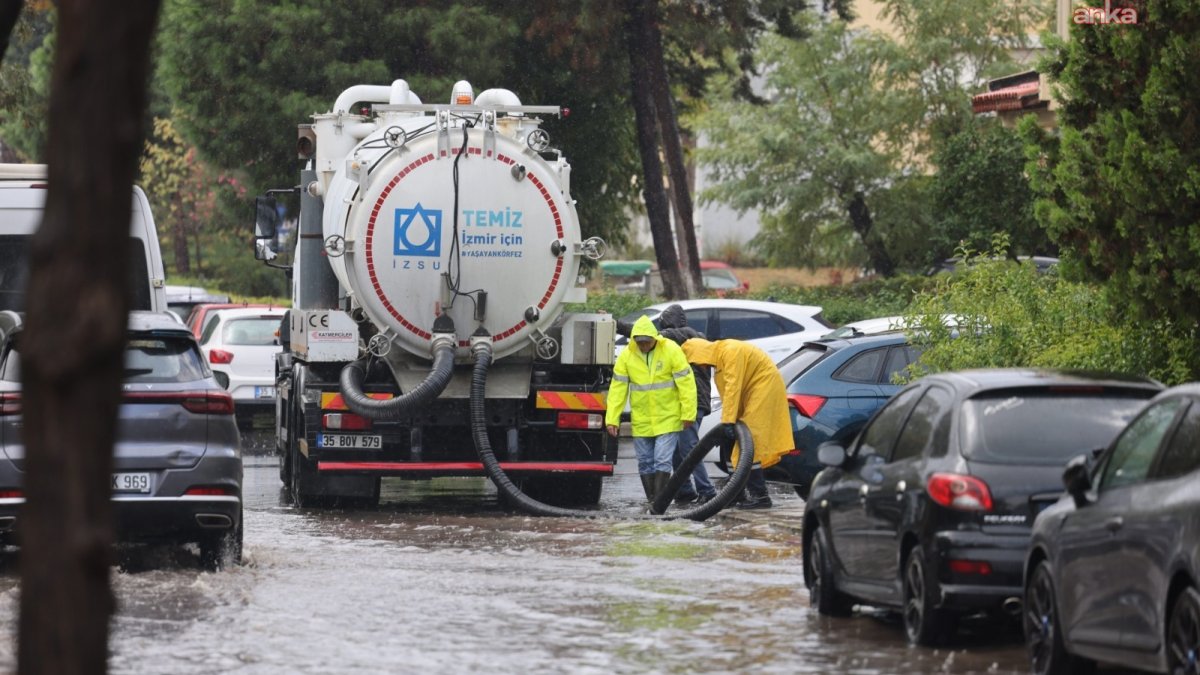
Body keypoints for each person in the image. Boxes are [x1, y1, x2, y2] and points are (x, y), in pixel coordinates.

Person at [680, 337, 791, 509]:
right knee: (729, 442)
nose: (698, 367)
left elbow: (733, 387)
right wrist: (728, 422)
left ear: (700, 354)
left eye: (694, 362)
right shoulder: (719, 362)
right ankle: (736, 495)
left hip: (764, 388)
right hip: (751, 392)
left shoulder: (730, 352)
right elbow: (729, 394)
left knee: (749, 441)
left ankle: (761, 496)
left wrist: (728, 421)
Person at [605, 315, 697, 506]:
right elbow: (617, 389)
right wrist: (612, 418)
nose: (643, 346)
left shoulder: (671, 350)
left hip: (668, 417)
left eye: (646, 342)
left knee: (662, 460)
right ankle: (653, 501)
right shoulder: (627, 356)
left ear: (654, 338)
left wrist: (688, 413)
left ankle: (659, 504)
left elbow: (686, 383)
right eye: (639, 342)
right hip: (642, 419)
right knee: (645, 462)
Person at [656, 304, 718, 505]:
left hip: (694, 402)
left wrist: (620, 326)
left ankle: (707, 490)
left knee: (689, 449)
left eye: (666, 324)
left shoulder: (687, 335)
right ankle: (684, 491)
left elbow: (657, 335)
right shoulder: (689, 339)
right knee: (677, 450)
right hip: (689, 401)